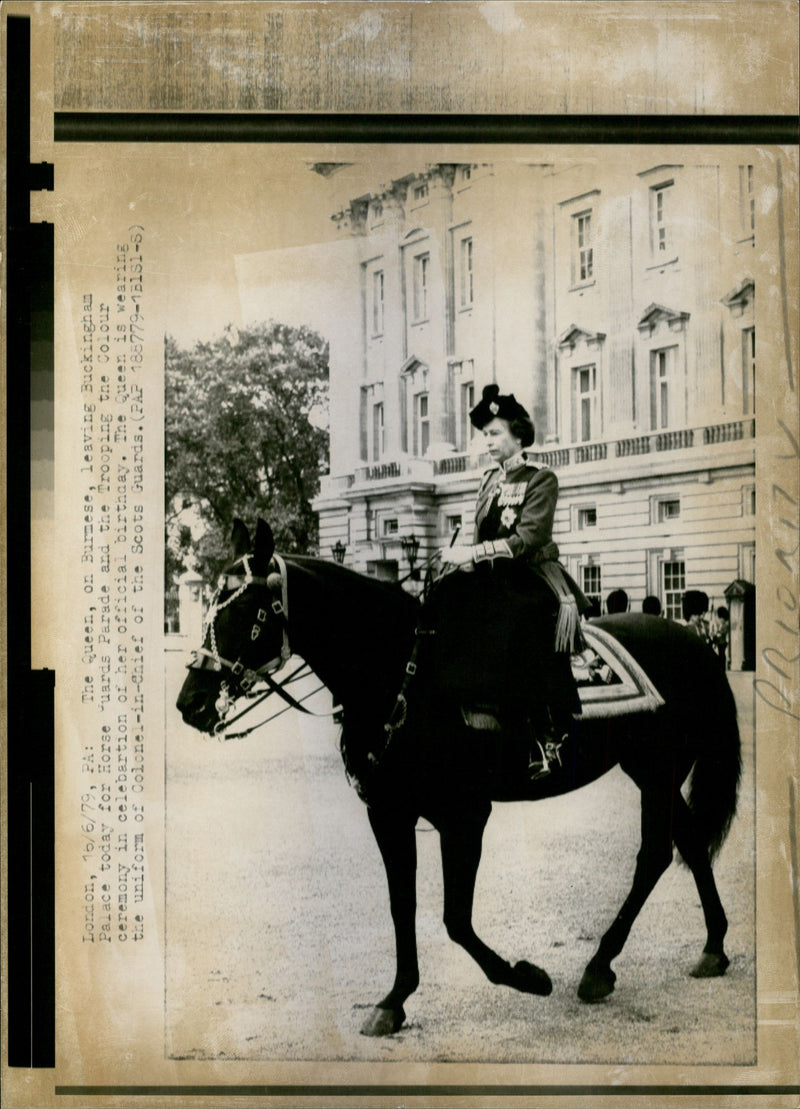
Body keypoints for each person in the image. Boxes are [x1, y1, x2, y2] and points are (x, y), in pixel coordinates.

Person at [435, 383, 587, 779]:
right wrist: (462, 563)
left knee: (514, 618)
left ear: (518, 434)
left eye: (495, 433)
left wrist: (473, 555)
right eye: (485, 434)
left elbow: (528, 538)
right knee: (441, 601)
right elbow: (480, 535)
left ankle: (546, 734)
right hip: (491, 577)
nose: (488, 441)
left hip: (532, 576)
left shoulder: (541, 478)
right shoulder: (488, 480)